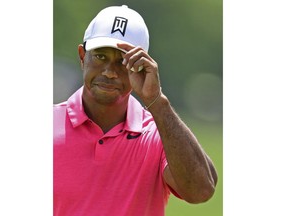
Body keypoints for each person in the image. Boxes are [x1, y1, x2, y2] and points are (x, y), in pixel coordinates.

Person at [54, 5, 218, 216]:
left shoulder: (159, 135)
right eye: (100, 57)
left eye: (123, 61)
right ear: (82, 56)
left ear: (142, 66)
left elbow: (201, 191)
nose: (110, 72)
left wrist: (156, 100)